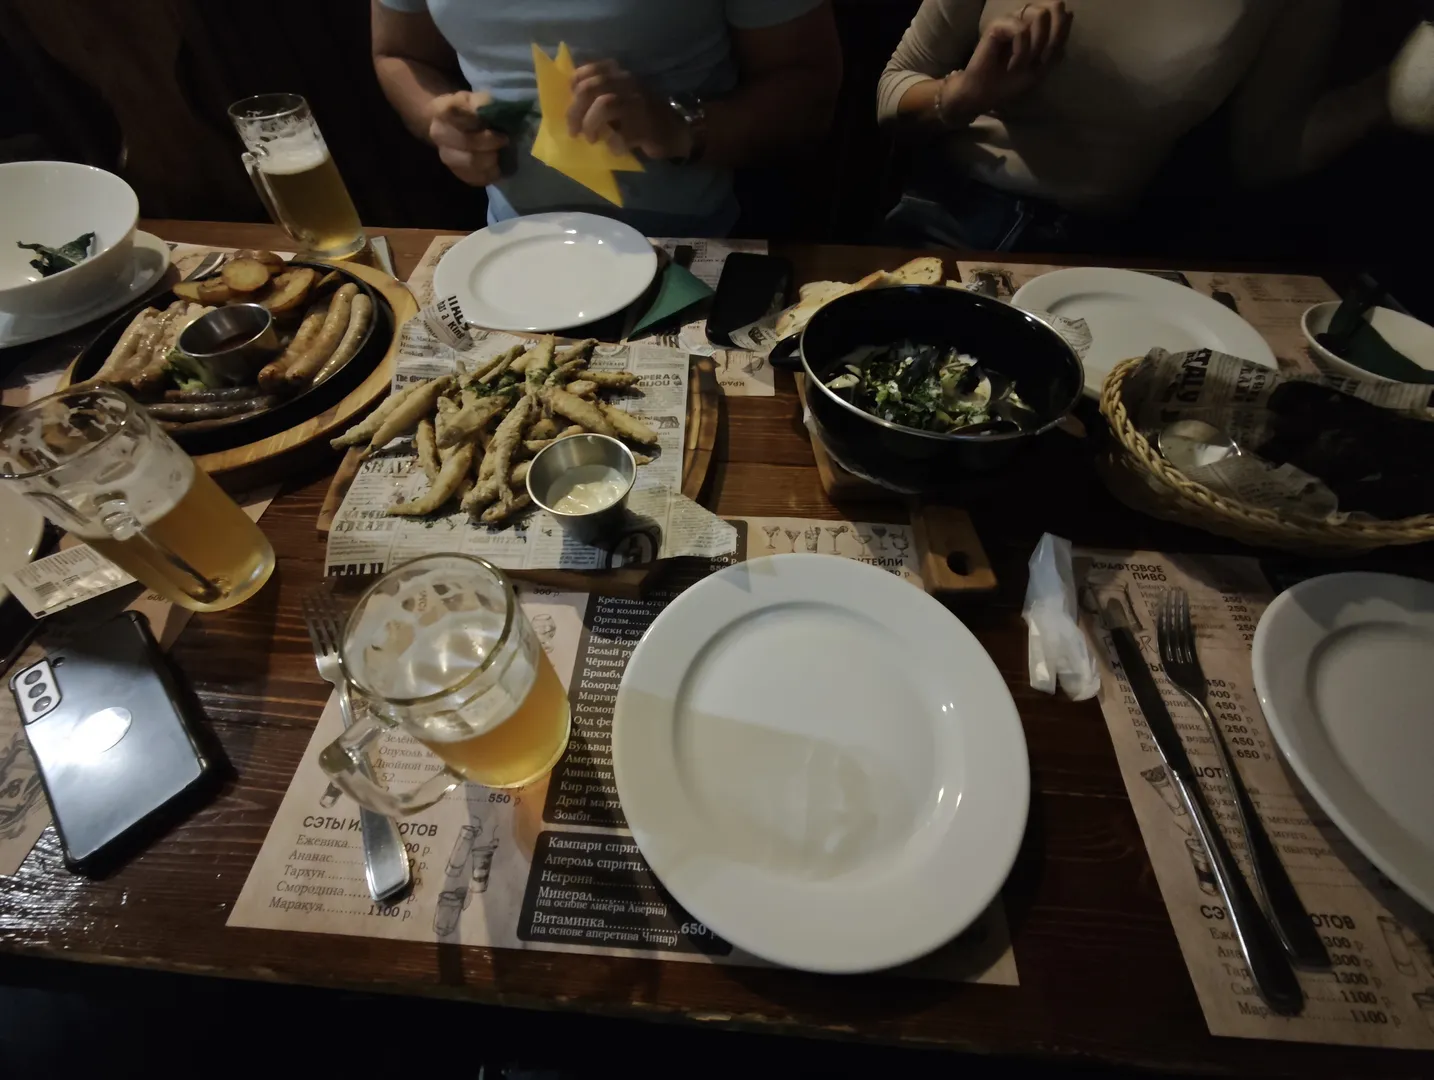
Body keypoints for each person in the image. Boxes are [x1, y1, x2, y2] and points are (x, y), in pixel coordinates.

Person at [877, 0, 1421, 251]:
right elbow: (892, 88)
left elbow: (1265, 153)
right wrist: (968, 94)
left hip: (1102, 253)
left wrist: (1387, 95)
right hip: (948, 214)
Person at [372, 0, 842, 237]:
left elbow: (810, 84)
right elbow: (397, 53)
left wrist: (681, 127)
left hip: (694, 247)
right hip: (506, 243)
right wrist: (436, 118)